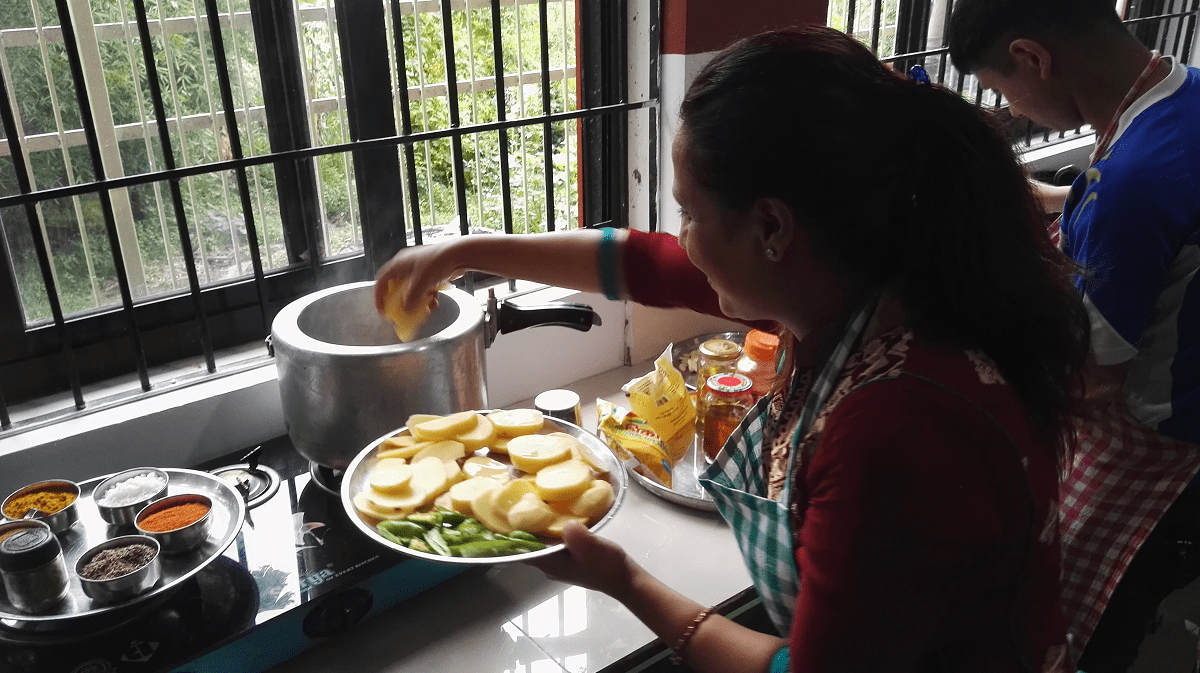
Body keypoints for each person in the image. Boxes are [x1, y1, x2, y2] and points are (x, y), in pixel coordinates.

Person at [376, 26, 1090, 673]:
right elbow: (637, 262)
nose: (681, 236)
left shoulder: (892, 430)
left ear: (773, 228)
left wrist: (626, 581)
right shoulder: (852, 277)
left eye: (689, 212)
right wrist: (462, 252)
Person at [949, 1, 1200, 669]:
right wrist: (1037, 195)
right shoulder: (1182, 91)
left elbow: (1088, 379)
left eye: (1005, 89)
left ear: (1033, 57)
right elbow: (1157, 215)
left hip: (1158, 454)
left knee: (1064, 621)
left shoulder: (1134, 184)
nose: (1018, 111)